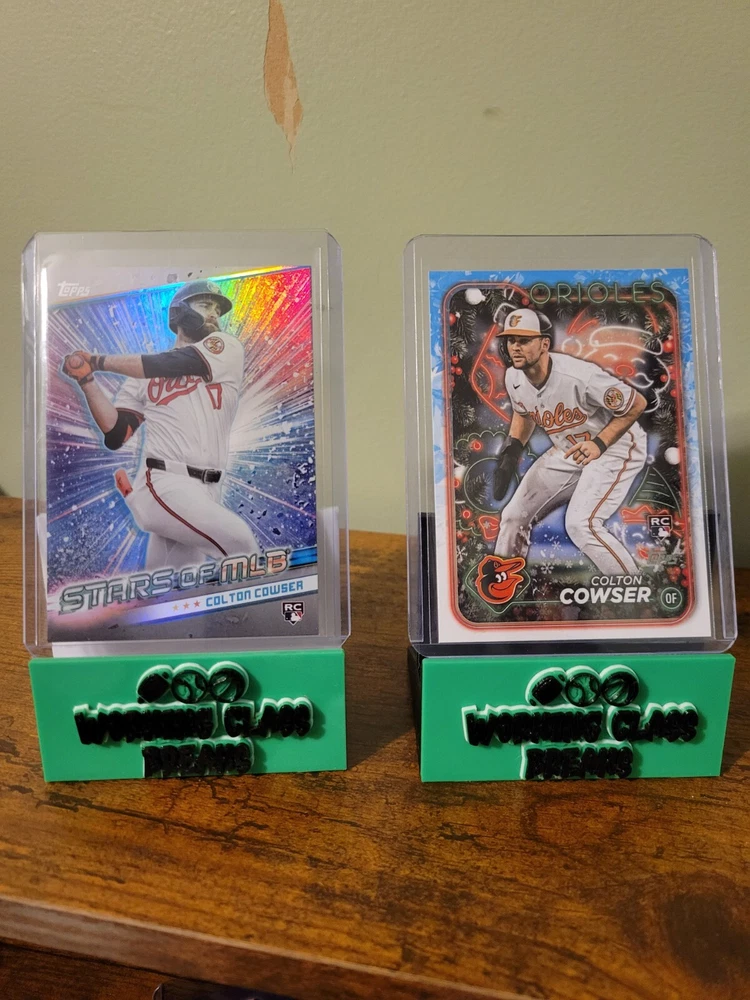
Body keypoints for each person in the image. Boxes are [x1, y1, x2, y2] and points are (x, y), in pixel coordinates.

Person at [61, 280, 260, 571]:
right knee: (239, 542)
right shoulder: (143, 374)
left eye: (218, 310)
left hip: (209, 489)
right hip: (164, 481)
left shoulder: (226, 347)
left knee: (174, 582)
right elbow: (116, 434)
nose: (215, 314)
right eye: (206, 305)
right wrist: (87, 380)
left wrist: (98, 361)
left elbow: (170, 363)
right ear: (179, 312)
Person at [492, 307, 647, 575]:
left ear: (544, 344)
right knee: (513, 516)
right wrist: (511, 451)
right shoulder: (514, 376)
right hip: (570, 449)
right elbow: (523, 411)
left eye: (524, 340)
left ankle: (630, 585)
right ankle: (503, 585)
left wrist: (599, 443)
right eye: (510, 340)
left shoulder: (580, 376)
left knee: (581, 525)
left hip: (616, 447)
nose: (515, 347)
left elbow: (636, 404)